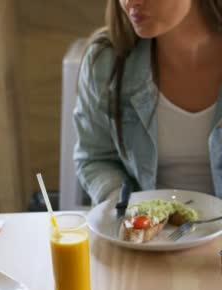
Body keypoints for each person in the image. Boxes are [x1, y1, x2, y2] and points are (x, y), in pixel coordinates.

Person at [74, 0, 222, 204]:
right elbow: (95, 158)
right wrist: (121, 204)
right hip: (146, 231)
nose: (130, 2)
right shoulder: (107, 62)